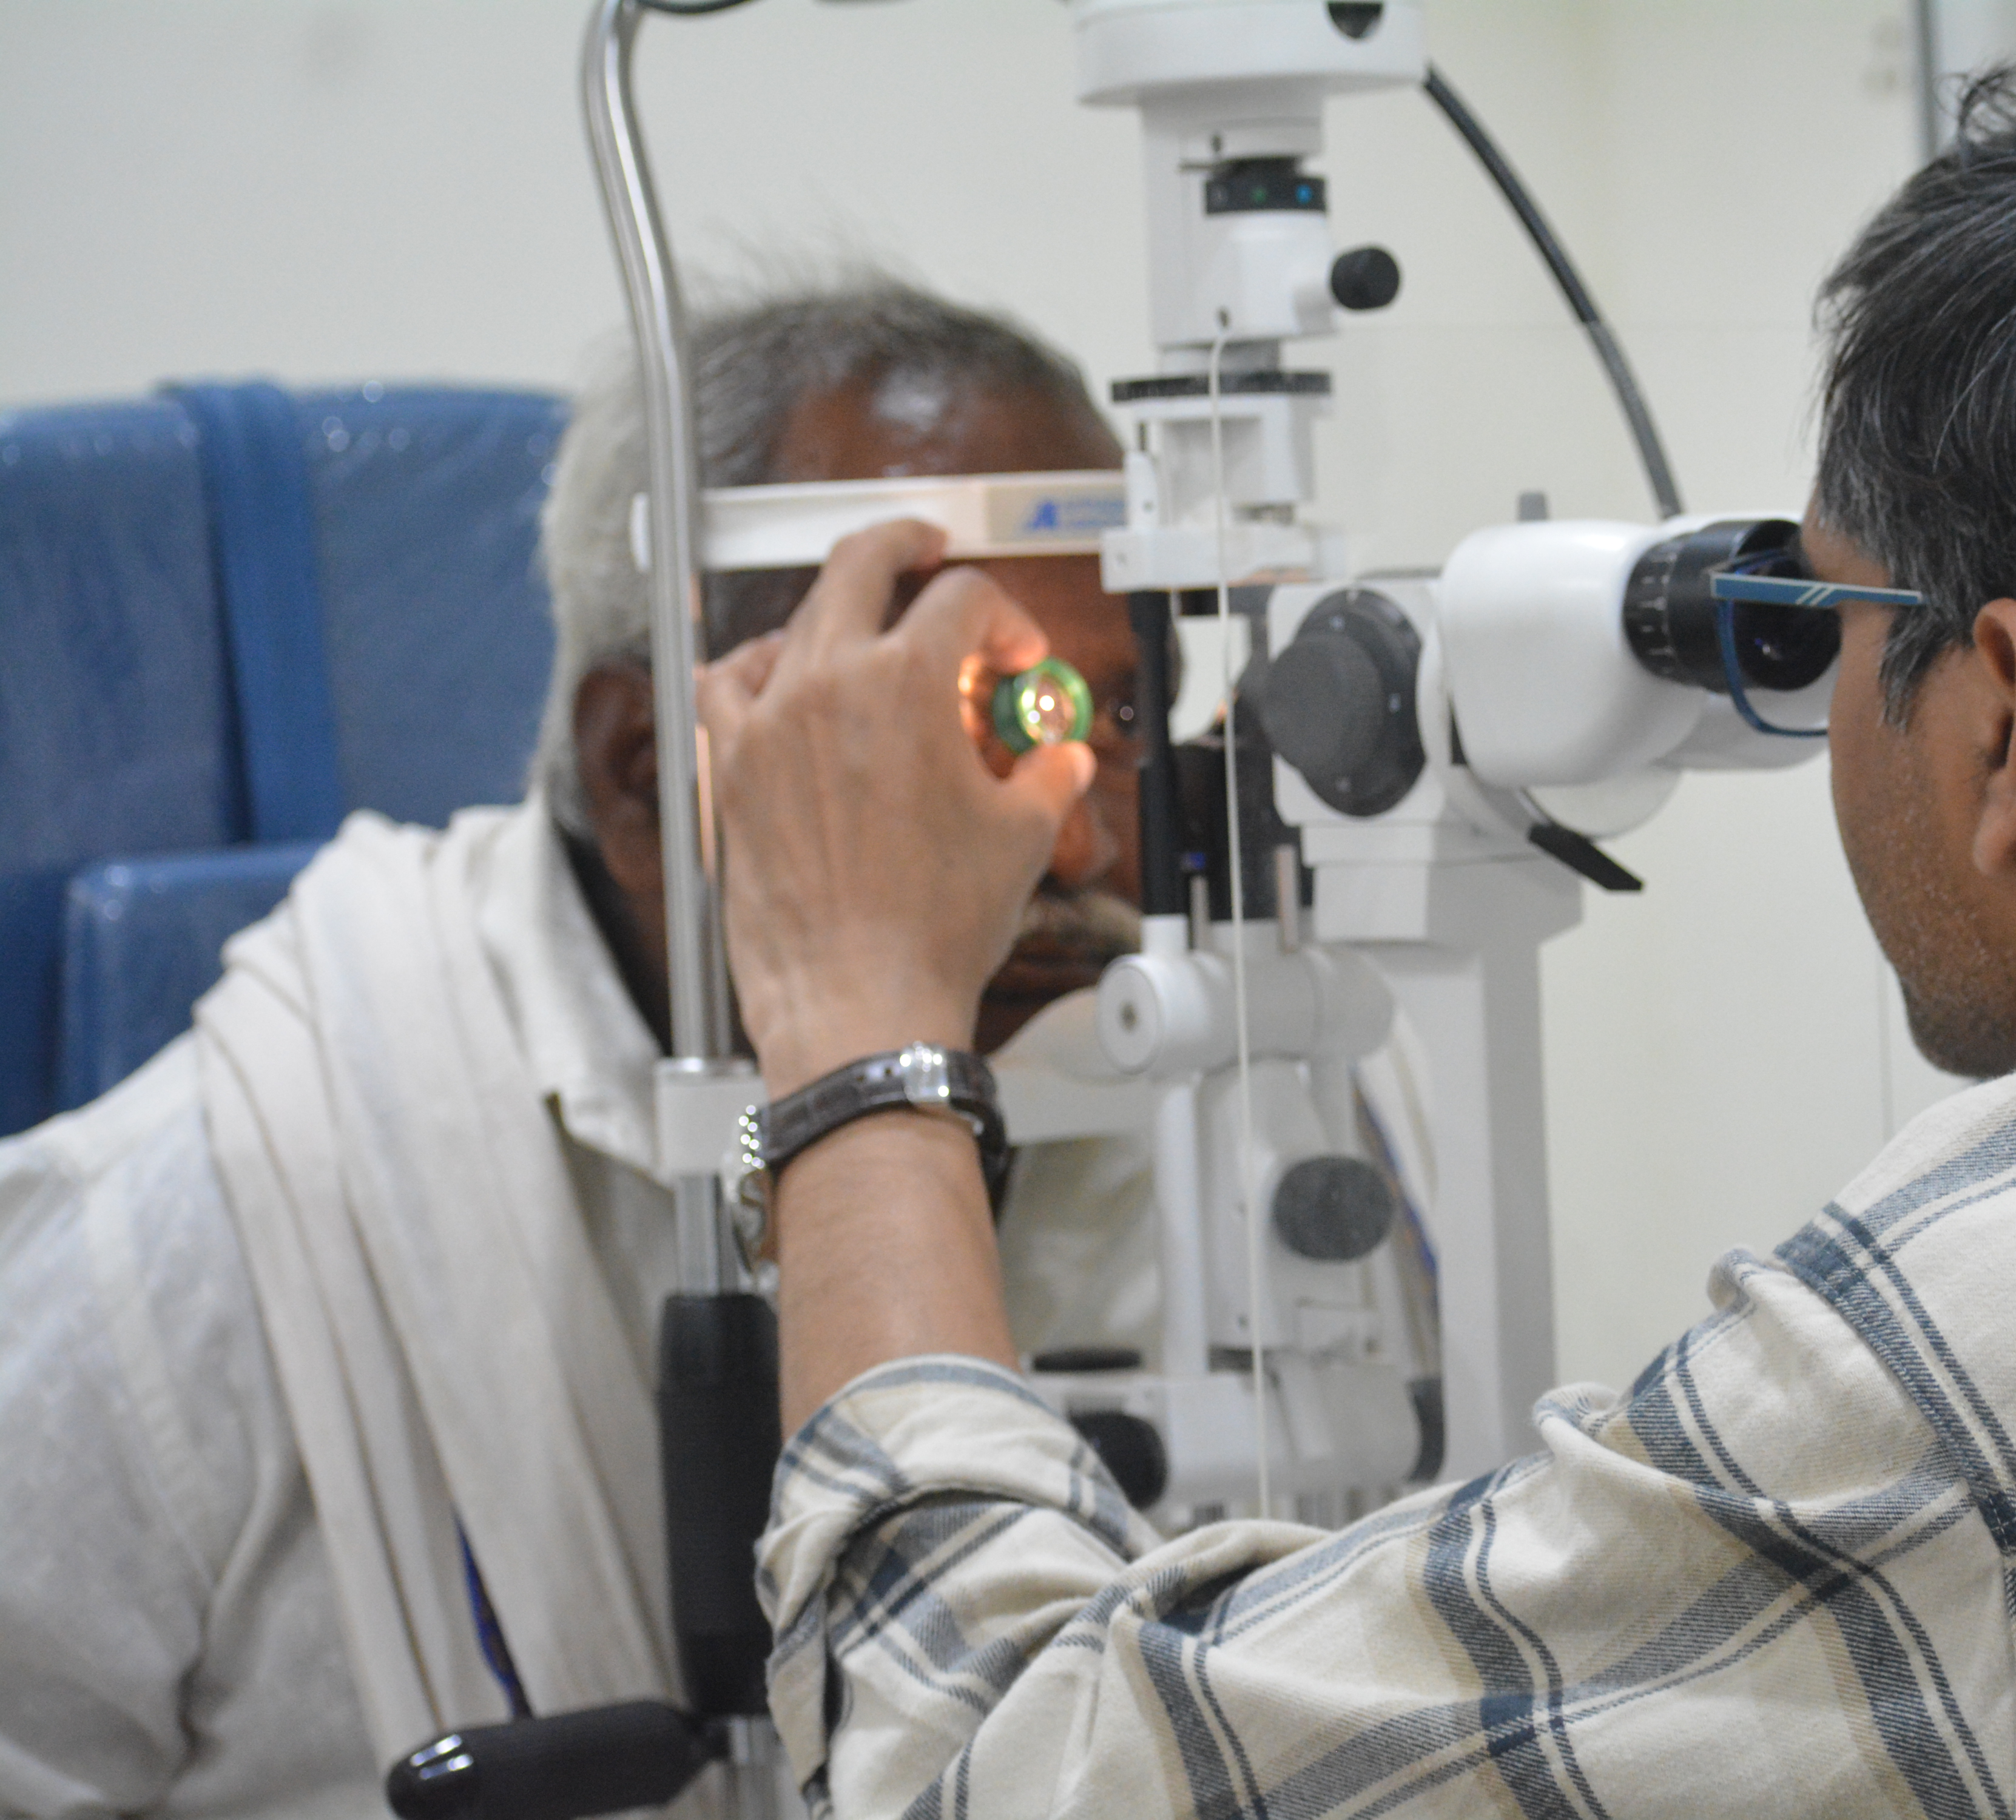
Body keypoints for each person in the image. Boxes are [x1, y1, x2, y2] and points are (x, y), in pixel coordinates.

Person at [709, 68, 2016, 1818]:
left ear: (2000, 719)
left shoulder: (2006, 1375)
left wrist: (855, 1016)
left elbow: (978, 1778)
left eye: (1830, 628)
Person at [0, 277, 1156, 1818]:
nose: (1076, 833)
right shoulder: (216, 1229)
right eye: (974, 717)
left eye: (1119, 712)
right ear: (641, 775)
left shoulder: (1245, 1110)